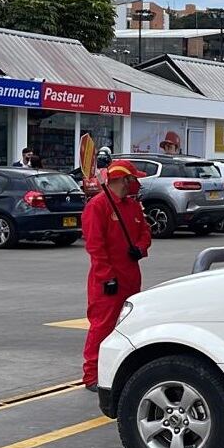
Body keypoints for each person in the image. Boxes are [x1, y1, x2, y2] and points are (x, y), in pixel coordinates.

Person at [81, 160, 152, 390]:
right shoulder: (98, 206)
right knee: (102, 326)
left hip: (131, 276)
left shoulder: (132, 207)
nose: (137, 184)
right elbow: (95, 247)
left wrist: (139, 249)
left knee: (128, 326)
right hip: (107, 281)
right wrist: (107, 276)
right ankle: (92, 375)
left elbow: (145, 233)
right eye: (134, 179)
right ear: (123, 180)